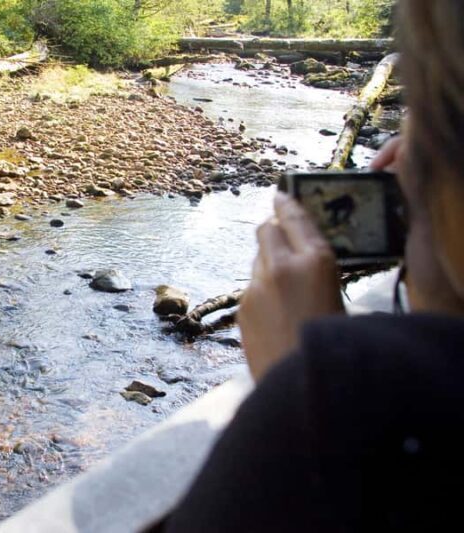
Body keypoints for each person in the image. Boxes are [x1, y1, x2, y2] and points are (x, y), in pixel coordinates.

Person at [161, 0, 464, 530]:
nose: (391, 151)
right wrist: (439, 296)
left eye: (419, 112)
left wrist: (305, 383)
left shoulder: (341, 392)